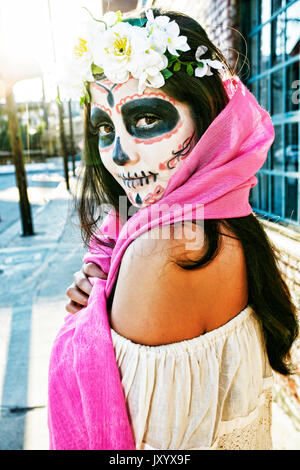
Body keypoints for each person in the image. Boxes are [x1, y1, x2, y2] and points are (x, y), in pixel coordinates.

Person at [50, 8, 298, 450]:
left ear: (208, 118)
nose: (118, 154)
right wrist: (101, 298)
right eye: (105, 128)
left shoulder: (166, 252)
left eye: (146, 119)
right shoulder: (225, 219)